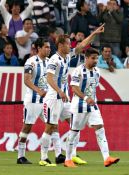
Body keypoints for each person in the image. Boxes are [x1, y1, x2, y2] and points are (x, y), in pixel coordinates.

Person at [40, 24, 105, 165]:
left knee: (74, 122)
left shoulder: (67, 56)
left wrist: (94, 33)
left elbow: (82, 45)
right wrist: (60, 91)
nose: (71, 46)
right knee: (50, 126)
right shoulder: (54, 59)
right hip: (53, 98)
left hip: (64, 99)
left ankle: (72, 155)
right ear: (61, 45)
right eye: (68, 44)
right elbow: (49, 78)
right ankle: (43, 158)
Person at [64, 48, 120, 168]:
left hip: (92, 106)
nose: (95, 61)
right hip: (79, 106)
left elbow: (92, 89)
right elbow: (74, 88)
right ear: (86, 58)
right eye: (93, 58)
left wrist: (91, 100)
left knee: (100, 128)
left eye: (96, 58)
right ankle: (68, 160)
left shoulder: (97, 71)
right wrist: (85, 98)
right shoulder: (78, 71)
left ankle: (107, 158)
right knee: (74, 132)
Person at [17, 38, 52, 165]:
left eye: (49, 47)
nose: (49, 49)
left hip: (46, 101)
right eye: (46, 47)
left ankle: (45, 156)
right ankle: (20, 156)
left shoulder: (49, 62)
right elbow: (26, 80)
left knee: (52, 125)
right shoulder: (30, 62)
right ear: (39, 48)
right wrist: (39, 90)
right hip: (33, 100)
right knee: (27, 127)